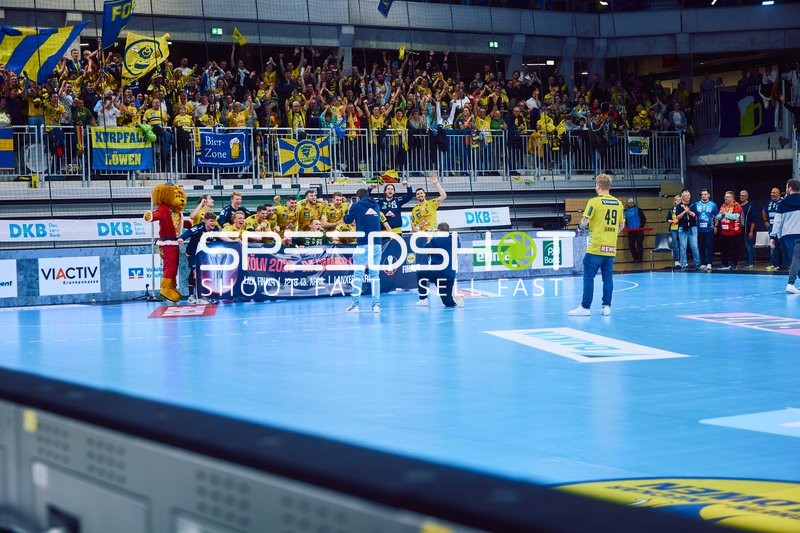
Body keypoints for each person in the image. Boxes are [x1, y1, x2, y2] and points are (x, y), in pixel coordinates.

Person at [568, 173, 625, 316]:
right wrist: (612, 235)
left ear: (598, 186)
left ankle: (585, 307)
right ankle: (606, 307)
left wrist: (580, 228)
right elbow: (622, 225)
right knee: (608, 279)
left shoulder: (594, 202)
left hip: (596, 247)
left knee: (588, 276)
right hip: (611, 248)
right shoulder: (618, 203)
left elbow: (585, 221)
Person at [343, 188, 385, 313]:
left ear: (357, 198)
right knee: (375, 276)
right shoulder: (376, 205)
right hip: (377, 244)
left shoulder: (356, 205)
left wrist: (350, 207)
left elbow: (347, 220)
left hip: (363, 244)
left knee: (358, 275)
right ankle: (376, 305)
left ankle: (355, 305)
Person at [416, 222, 464, 308]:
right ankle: (455, 298)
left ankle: (423, 299)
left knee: (420, 273)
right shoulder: (455, 240)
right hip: (450, 276)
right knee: (447, 302)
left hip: (437, 273)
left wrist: (429, 241)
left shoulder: (435, 240)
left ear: (438, 230)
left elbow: (425, 250)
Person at [177, 212, 218, 304]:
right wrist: (182, 238)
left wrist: (233, 241)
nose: (213, 223)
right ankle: (197, 297)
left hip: (204, 255)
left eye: (214, 221)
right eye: (211, 221)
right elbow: (188, 232)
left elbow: (222, 237)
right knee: (196, 271)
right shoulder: (199, 227)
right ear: (205, 221)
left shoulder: (215, 229)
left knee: (198, 273)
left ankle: (198, 295)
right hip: (192, 253)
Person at [769, 179, 800, 294]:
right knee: (797, 259)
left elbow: (777, 221)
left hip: (786, 236)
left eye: (786, 187)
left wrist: (773, 237)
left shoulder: (782, 203)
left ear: (790, 188)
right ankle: (791, 284)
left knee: (795, 259)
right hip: (798, 234)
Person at [715, 191, 743, 270]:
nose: (725, 198)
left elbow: (735, 217)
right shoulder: (723, 205)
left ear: (732, 198)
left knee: (734, 250)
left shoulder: (737, 206)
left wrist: (725, 214)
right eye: (725, 196)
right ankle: (725, 264)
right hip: (724, 232)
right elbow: (718, 216)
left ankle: (734, 264)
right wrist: (724, 214)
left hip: (734, 232)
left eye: (727, 197)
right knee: (724, 249)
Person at [675, 189, 701, 271]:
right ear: (682, 197)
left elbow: (694, 215)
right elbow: (677, 217)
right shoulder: (679, 206)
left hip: (692, 228)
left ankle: (697, 264)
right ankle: (683, 265)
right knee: (683, 247)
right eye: (686, 195)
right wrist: (684, 212)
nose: (687, 197)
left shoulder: (693, 205)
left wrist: (688, 211)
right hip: (683, 228)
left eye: (688, 195)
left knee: (694, 247)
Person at [695, 188, 718, 270]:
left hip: (709, 229)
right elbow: (694, 216)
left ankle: (709, 263)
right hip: (699, 229)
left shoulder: (713, 205)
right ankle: (703, 263)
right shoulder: (696, 204)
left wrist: (715, 226)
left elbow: (716, 216)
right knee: (701, 246)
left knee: (709, 246)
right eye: (702, 194)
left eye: (705, 194)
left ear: (709, 195)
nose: (703, 195)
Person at [763, 187, 783, 270]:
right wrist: (765, 220)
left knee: (781, 245)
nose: (772, 194)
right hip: (771, 227)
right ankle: (773, 263)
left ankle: (782, 264)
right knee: (773, 245)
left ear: (778, 193)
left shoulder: (782, 201)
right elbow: (764, 211)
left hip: (781, 227)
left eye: (774, 193)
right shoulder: (769, 202)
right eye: (771, 192)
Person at [623, 198, 646, 263]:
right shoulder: (626, 212)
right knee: (631, 245)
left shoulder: (639, 210)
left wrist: (641, 227)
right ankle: (635, 258)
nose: (631, 204)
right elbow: (626, 221)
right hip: (631, 231)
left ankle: (640, 259)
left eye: (632, 203)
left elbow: (643, 219)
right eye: (629, 203)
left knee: (639, 244)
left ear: (634, 203)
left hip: (639, 230)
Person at [739, 190, 756, 268]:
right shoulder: (738, 205)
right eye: (740, 195)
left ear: (746, 197)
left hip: (748, 229)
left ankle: (750, 262)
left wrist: (751, 231)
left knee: (749, 245)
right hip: (739, 229)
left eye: (743, 195)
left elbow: (753, 219)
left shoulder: (750, 205)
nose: (741, 197)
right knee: (742, 246)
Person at [666, 194, 681, 267]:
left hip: (681, 228)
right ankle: (676, 261)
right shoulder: (671, 209)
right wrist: (673, 221)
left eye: (679, 200)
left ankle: (683, 260)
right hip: (673, 229)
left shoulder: (683, 208)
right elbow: (667, 219)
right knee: (675, 245)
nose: (678, 201)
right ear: (674, 201)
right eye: (677, 200)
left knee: (682, 245)